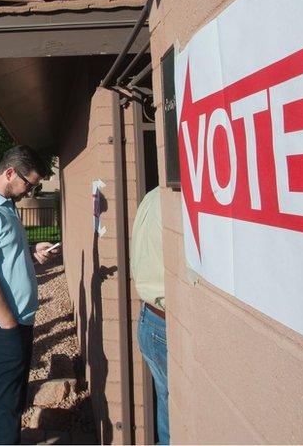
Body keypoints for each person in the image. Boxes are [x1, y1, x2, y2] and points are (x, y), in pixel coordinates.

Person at [0, 145, 59, 445]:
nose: (30, 190)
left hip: (17, 322)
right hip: (1, 327)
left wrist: (32, 251)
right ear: (9, 173)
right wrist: (7, 324)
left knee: (14, 402)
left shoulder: (5, 205)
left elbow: (5, 256)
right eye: (29, 184)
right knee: (5, 409)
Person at [131, 186, 167, 444]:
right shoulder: (172, 201)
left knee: (166, 403)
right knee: (172, 410)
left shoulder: (152, 197)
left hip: (149, 317)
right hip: (162, 323)